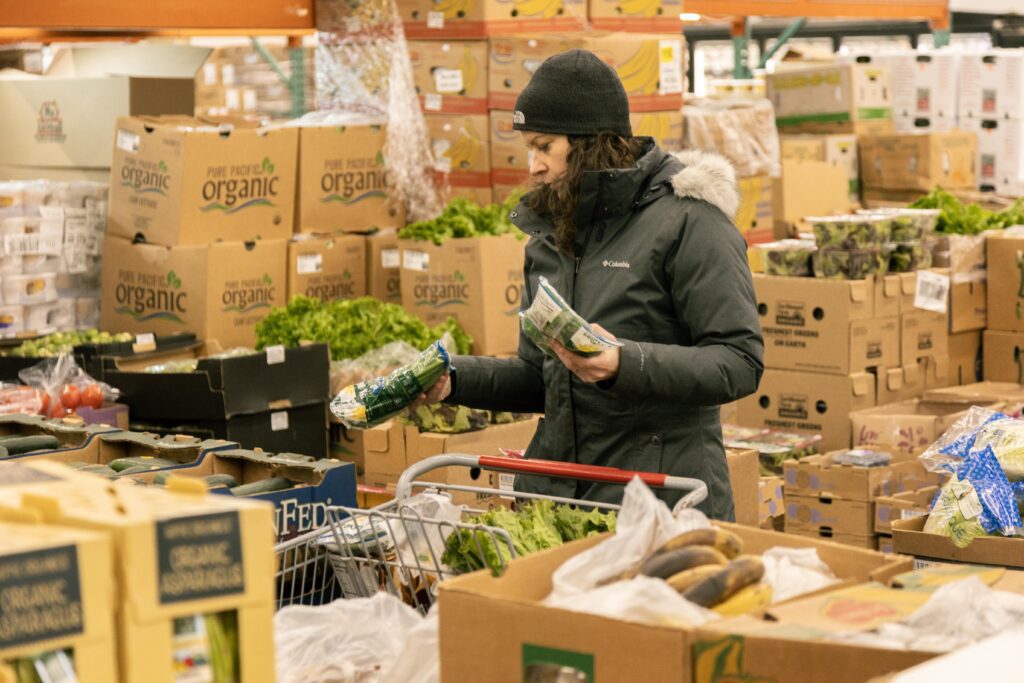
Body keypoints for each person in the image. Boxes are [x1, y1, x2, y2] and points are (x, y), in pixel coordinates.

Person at [417, 49, 764, 520]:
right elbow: (544, 378)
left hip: (658, 504)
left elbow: (739, 362)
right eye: (529, 148)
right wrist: (453, 377)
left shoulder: (690, 221)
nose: (533, 165)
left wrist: (624, 362)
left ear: (588, 143)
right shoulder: (551, 235)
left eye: (544, 146)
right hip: (560, 501)